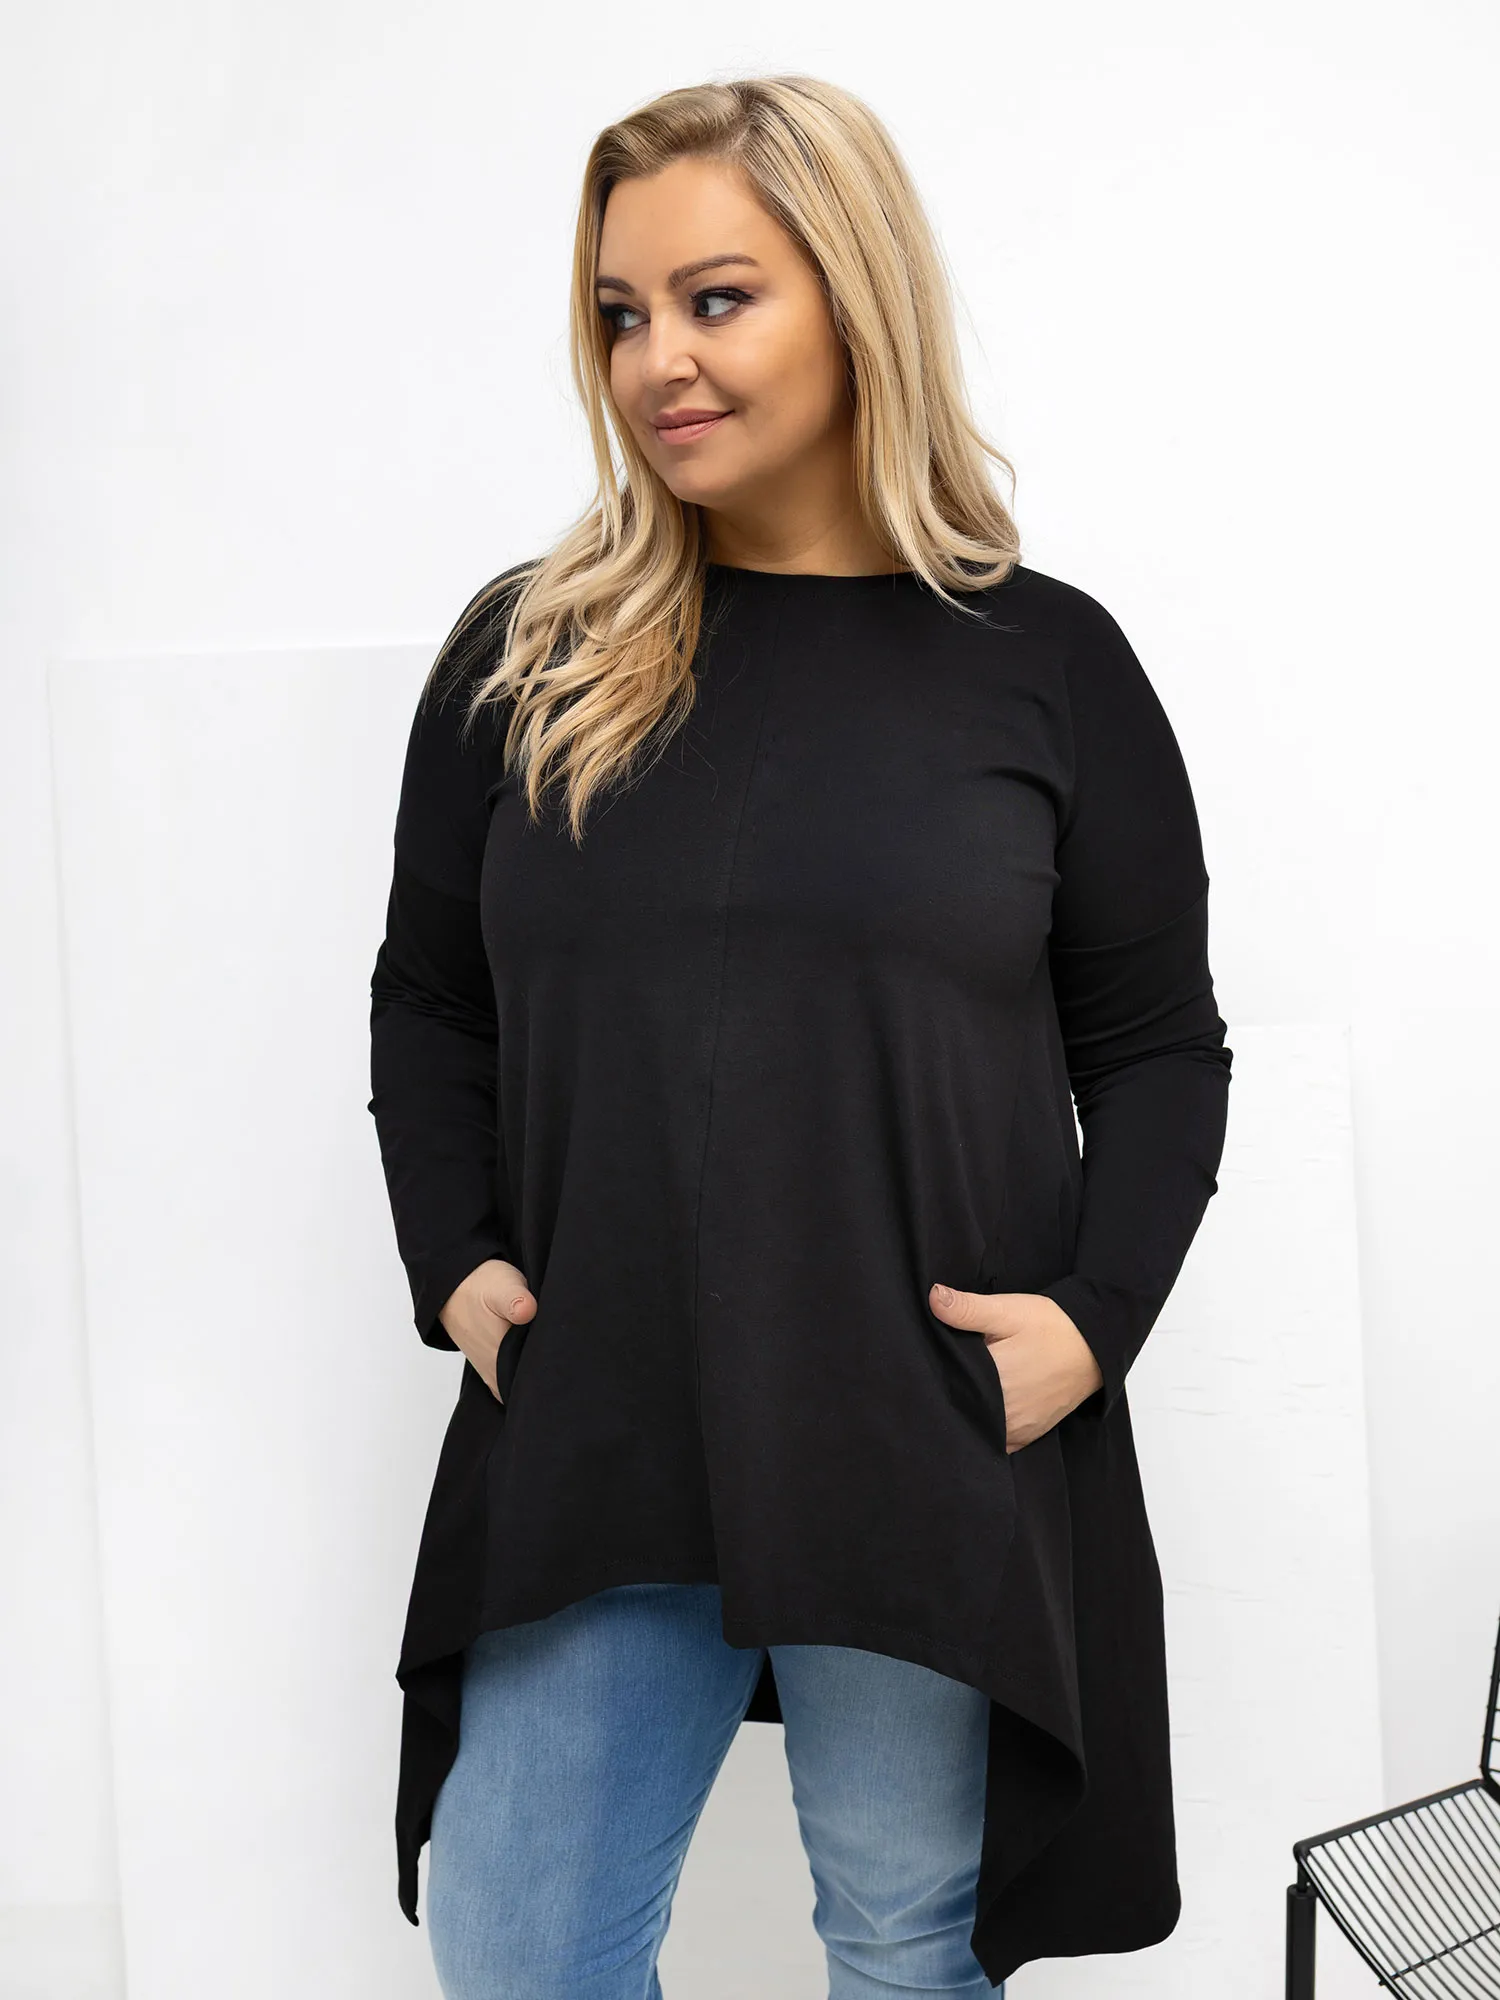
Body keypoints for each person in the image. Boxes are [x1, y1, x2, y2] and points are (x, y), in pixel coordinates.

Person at [367, 72, 1232, 1999]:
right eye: (621, 313)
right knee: (519, 1943)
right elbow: (429, 997)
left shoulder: (1046, 665)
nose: (656, 361)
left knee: (908, 1940)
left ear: (857, 298)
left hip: (914, 1423)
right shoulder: (530, 656)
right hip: (604, 1405)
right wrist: (457, 1262)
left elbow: (1162, 1046)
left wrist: (1093, 1321)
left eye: (717, 299)